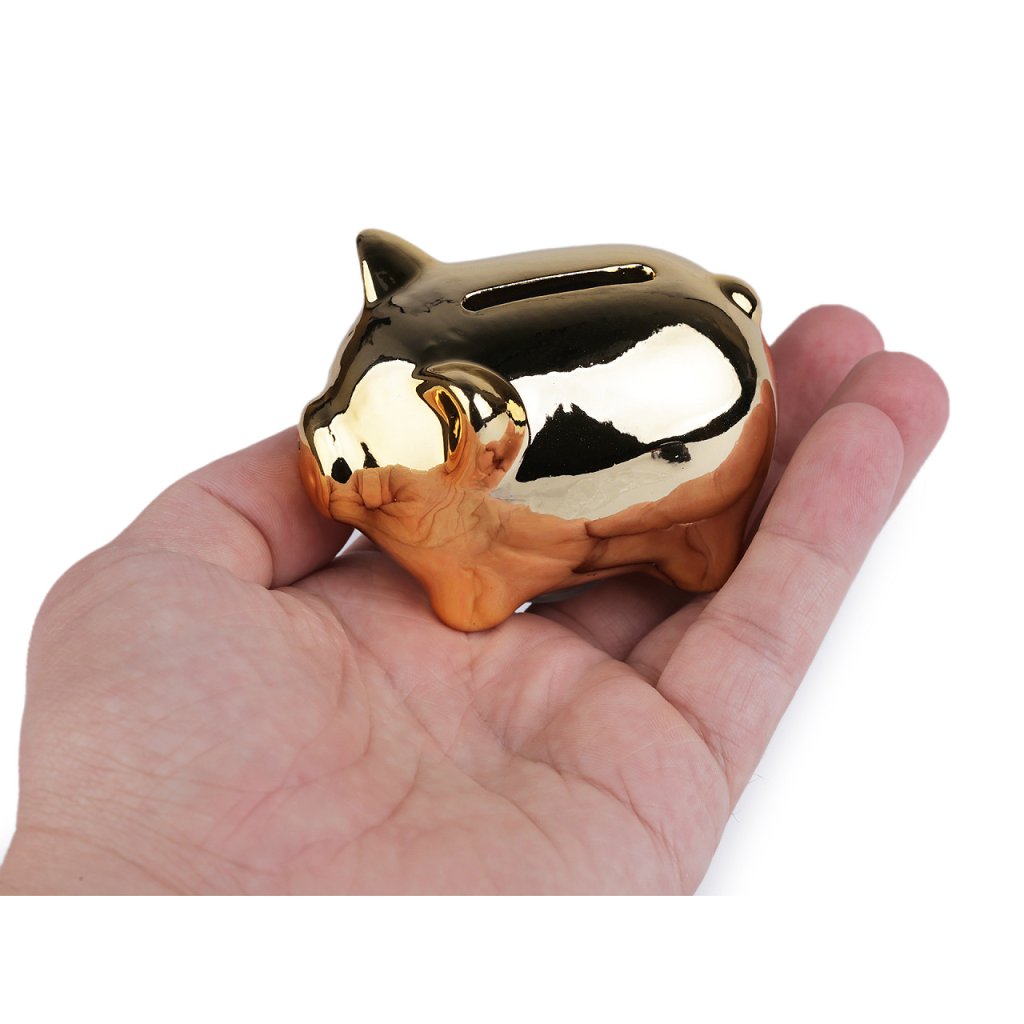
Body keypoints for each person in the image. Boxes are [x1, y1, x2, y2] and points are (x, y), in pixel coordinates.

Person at [0, 306, 948, 894]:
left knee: (695, 541)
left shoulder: (480, 488)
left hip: (696, 433)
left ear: (477, 445)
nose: (332, 455)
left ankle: (695, 537)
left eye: (365, 448)